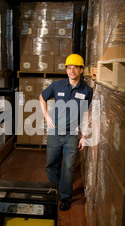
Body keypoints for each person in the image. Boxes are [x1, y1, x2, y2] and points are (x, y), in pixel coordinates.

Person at [39, 53, 93, 211]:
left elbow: (86, 114)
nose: (72, 70)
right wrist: (46, 117)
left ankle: (65, 197)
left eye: (75, 67)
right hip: (54, 133)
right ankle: (54, 191)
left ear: (81, 70)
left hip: (72, 135)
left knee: (68, 167)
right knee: (51, 165)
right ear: (66, 70)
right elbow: (42, 97)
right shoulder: (57, 86)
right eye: (69, 68)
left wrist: (84, 136)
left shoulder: (87, 90)